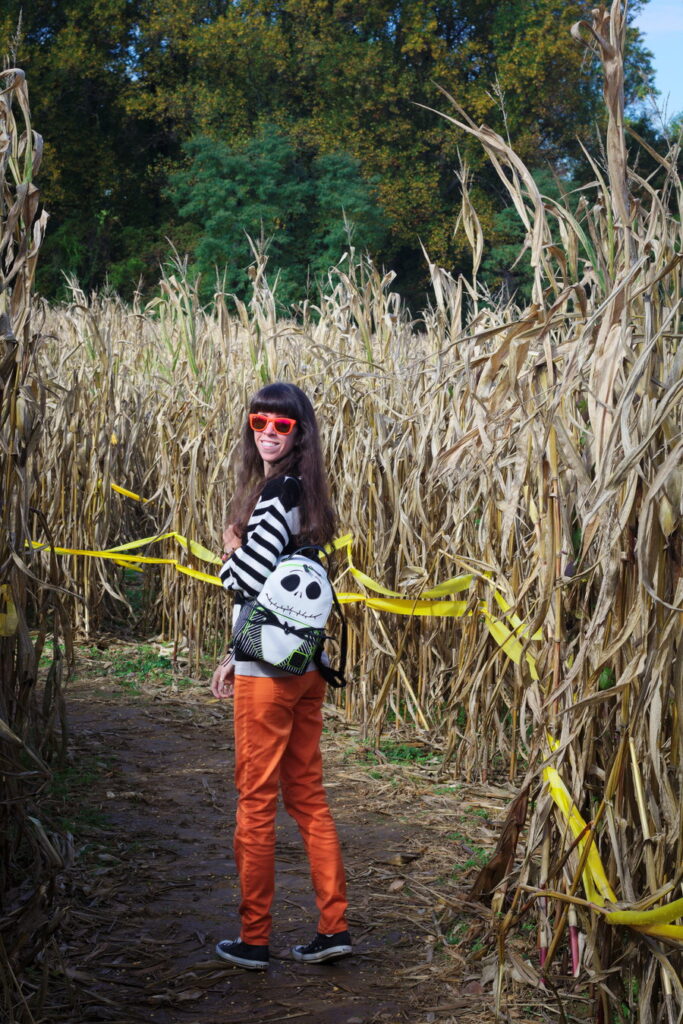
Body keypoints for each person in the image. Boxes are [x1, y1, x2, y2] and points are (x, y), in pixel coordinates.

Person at [210, 382, 351, 971]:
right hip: (305, 667)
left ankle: (255, 936)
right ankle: (333, 926)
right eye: (259, 420)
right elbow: (283, 595)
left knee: (256, 800)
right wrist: (229, 653)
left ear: (299, 433)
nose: (267, 431)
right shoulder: (310, 494)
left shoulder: (275, 493)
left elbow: (246, 577)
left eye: (282, 425)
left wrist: (227, 550)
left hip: (267, 676)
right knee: (309, 798)